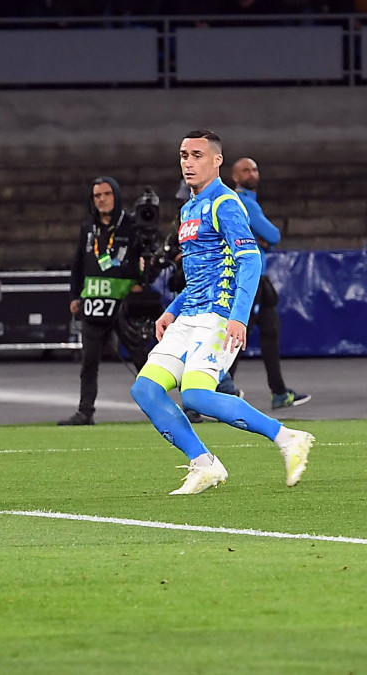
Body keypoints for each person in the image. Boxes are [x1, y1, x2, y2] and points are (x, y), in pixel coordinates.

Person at [129, 129, 314, 495]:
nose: (188, 162)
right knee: (146, 390)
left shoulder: (225, 203)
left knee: (196, 395)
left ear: (216, 161)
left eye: (197, 155)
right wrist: (171, 310)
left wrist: (239, 316)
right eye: (183, 155)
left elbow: (250, 260)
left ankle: (287, 437)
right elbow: (200, 273)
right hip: (189, 314)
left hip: (218, 315)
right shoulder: (188, 208)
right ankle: (204, 464)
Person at [218, 157, 311, 409]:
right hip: (248, 281)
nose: (252, 173)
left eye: (255, 168)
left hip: (258, 280)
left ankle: (279, 392)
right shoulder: (245, 202)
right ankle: (216, 391)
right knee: (237, 336)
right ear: (235, 177)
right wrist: (261, 239)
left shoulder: (245, 203)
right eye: (245, 170)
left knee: (270, 330)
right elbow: (273, 235)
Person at [59, 176, 148, 426]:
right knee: (89, 361)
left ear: (116, 196)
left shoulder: (132, 226)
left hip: (124, 302)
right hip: (94, 303)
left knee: (142, 358)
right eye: (97, 196)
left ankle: (167, 408)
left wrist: (142, 282)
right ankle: (85, 411)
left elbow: (147, 258)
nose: (102, 200)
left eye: (106, 194)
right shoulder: (88, 228)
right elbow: (77, 264)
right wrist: (75, 295)